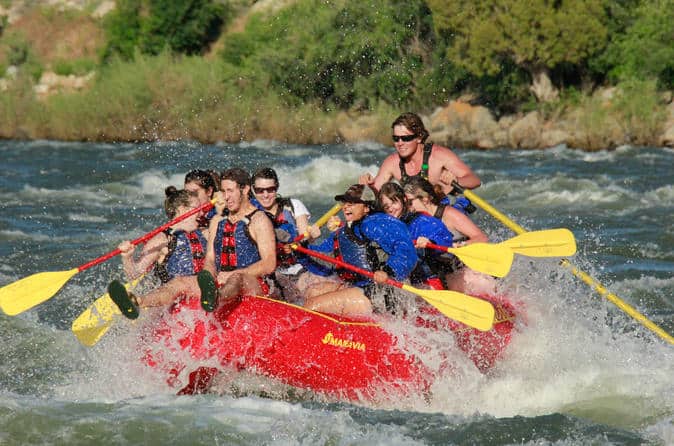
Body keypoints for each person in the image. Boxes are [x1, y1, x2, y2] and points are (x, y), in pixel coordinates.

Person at [298, 184, 418, 316]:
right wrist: (300, 250)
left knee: (312, 306)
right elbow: (325, 261)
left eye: (352, 203)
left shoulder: (376, 223)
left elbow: (405, 248)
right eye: (345, 203)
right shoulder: (342, 232)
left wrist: (388, 271)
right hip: (361, 286)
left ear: (366, 207)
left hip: (381, 292)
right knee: (312, 292)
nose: (346, 207)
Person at [107, 186, 209, 318]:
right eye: (197, 208)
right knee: (179, 283)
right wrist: (127, 257)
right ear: (182, 209)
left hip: (202, 288)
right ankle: (136, 301)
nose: (202, 213)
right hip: (176, 293)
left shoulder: (205, 232)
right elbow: (134, 273)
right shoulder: (162, 239)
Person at [359, 112, 480, 211]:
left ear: (419, 137)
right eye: (396, 138)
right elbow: (373, 194)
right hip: (419, 217)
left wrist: (457, 181)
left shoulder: (439, 156)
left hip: (447, 211)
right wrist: (366, 187)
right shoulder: (392, 162)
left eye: (405, 138)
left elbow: (474, 180)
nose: (400, 143)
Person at [197, 168, 277, 312]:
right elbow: (209, 259)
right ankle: (142, 302)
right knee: (180, 283)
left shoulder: (259, 220)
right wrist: (208, 278)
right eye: (223, 191)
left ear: (245, 189)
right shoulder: (217, 221)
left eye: (230, 191)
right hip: (222, 279)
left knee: (237, 279)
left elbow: (269, 263)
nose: (225, 197)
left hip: (254, 283)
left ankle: (216, 298)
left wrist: (233, 275)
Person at [402, 177, 495, 294]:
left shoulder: (449, 214)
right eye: (405, 204)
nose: (408, 208)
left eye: (410, 202)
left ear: (425, 199)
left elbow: (481, 238)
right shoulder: (413, 221)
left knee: (482, 283)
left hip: (463, 270)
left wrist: (461, 245)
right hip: (440, 275)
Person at [250, 167, 325, 303]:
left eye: (270, 189)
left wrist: (313, 236)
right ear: (253, 190)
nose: (265, 195)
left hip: (298, 268)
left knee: (316, 292)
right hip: (269, 272)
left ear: (277, 187)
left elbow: (305, 237)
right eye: (260, 190)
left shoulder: (293, 205)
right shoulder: (249, 212)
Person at [378, 182, 455, 290]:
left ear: (404, 199)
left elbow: (446, 241)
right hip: (409, 283)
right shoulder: (387, 227)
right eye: (386, 206)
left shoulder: (421, 220)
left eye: (394, 203)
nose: (391, 209)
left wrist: (430, 242)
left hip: (431, 281)